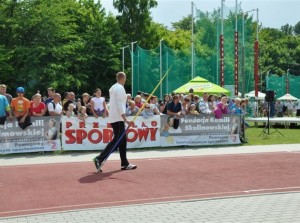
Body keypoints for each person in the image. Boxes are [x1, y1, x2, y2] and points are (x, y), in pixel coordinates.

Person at [93, 72, 137, 172]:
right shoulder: (120, 88)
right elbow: (120, 104)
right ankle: (99, 158)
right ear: (123, 78)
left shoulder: (113, 87)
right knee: (117, 140)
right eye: (125, 78)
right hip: (118, 118)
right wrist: (125, 119)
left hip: (115, 117)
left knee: (122, 140)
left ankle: (124, 163)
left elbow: (117, 103)